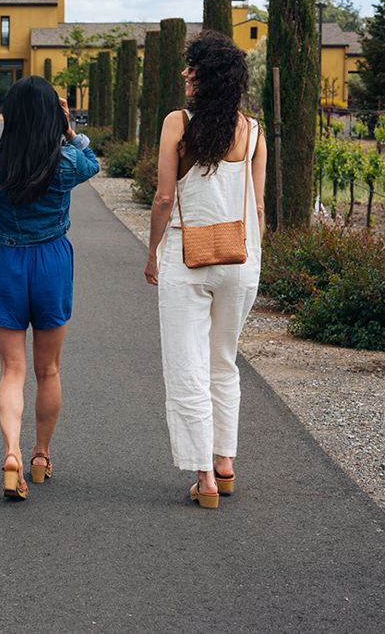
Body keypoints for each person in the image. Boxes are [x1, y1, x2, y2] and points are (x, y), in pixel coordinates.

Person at [144, 30, 266, 509]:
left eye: (191, 66)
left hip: (186, 258)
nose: (183, 73)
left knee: (187, 366)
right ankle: (225, 461)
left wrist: (152, 251)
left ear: (205, 75)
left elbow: (164, 198)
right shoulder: (253, 130)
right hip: (240, 259)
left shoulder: (178, 123)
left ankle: (204, 478)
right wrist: (255, 259)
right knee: (224, 361)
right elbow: (256, 205)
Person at [0, 76, 99, 500]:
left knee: (12, 371)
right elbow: (91, 162)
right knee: (49, 370)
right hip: (52, 264)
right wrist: (71, 130)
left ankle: (11, 454)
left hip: (5, 263)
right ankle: (40, 456)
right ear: (50, 116)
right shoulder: (66, 162)